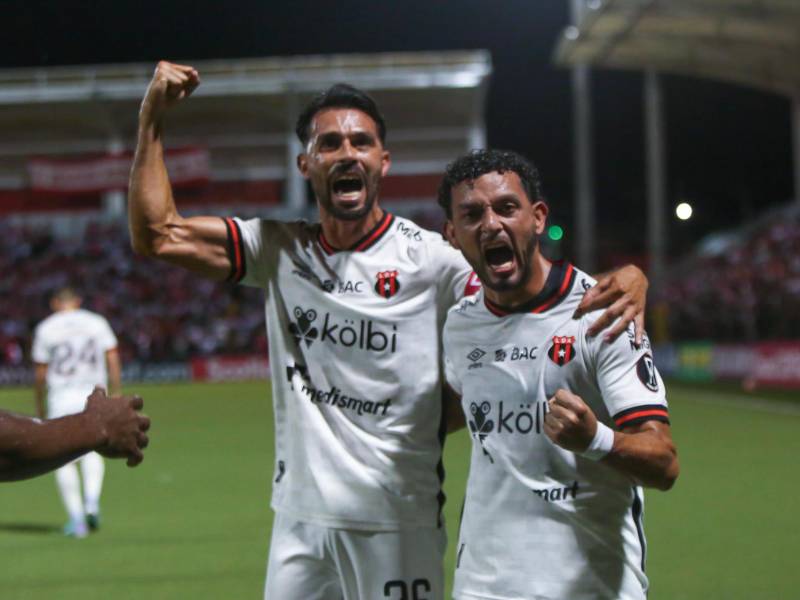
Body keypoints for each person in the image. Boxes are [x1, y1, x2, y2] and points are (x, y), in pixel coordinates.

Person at [128, 60, 650, 600]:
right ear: (305, 164)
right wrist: (151, 121)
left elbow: (530, 290)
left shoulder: (432, 260)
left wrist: (630, 277)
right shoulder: (278, 248)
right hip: (299, 520)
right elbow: (157, 235)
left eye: (360, 142)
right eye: (329, 144)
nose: (346, 152)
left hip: (397, 521)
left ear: (383, 161)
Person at [439, 149, 679, 600]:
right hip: (483, 586)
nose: (491, 224)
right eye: (472, 214)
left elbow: (664, 463)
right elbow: (451, 414)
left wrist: (595, 439)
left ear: (537, 217)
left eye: (507, 207)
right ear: (452, 234)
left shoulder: (603, 313)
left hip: (590, 587)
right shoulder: (460, 325)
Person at [32, 287, 122, 537]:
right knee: (93, 449)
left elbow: (40, 373)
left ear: (54, 303)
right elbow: (112, 357)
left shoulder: (46, 328)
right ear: (78, 302)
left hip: (61, 396)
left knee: (61, 458)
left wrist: (39, 403)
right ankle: (92, 502)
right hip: (94, 395)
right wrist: (115, 391)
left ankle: (77, 520)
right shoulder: (96, 322)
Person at [1, 387, 150, 482]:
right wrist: (95, 426)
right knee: (86, 459)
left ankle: (83, 513)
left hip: (63, 396)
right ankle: (89, 509)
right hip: (78, 394)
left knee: (73, 464)